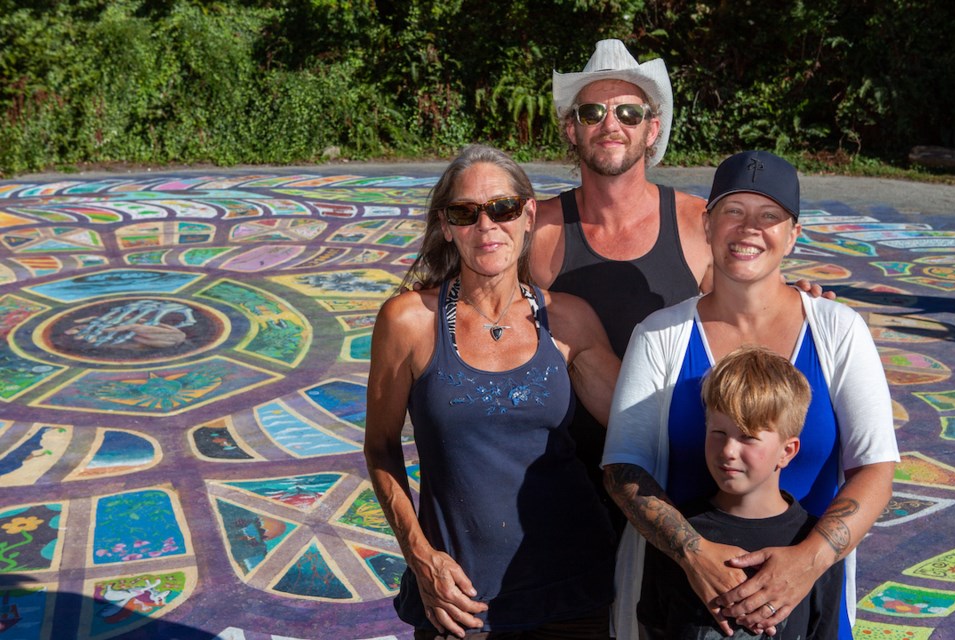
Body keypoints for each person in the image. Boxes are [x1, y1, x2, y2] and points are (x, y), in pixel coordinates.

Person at [602, 150, 899, 640]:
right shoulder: (659, 335)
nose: (748, 228)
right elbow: (623, 469)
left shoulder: (839, 331)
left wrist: (806, 563)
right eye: (733, 212)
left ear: (793, 234)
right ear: (708, 223)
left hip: (805, 607)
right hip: (680, 602)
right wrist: (693, 555)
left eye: (769, 216)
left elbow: (877, 468)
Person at [364, 144, 621, 639]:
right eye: (465, 212)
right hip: (459, 599)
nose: (486, 227)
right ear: (446, 226)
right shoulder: (409, 322)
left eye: (502, 208)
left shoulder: (569, 320)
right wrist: (420, 556)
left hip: (572, 590)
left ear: (528, 215)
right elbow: (379, 448)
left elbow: (642, 423)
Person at [530, 38, 712, 539]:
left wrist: (807, 302)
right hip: (560, 492)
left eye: (629, 112)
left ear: (652, 128)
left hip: (677, 485)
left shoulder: (701, 224)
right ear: (572, 127)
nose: (612, 124)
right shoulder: (537, 229)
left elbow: (751, 330)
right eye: (593, 111)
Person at [637, 345, 844, 639]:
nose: (728, 451)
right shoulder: (675, 529)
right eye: (718, 433)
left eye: (748, 437)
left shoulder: (813, 542)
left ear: (787, 451)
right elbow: (652, 624)